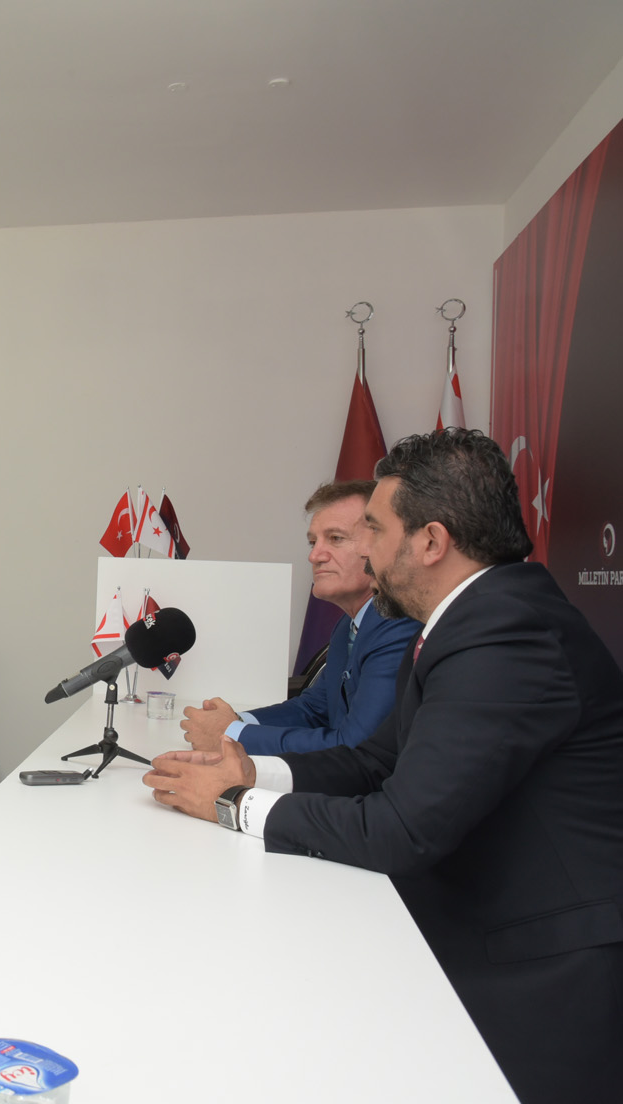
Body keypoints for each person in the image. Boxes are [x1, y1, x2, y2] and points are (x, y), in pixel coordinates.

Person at [141, 429, 623, 1104]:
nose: (362, 549)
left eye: (372, 528)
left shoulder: (507, 632)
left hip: (543, 969)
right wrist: (251, 775)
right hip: (485, 928)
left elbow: (402, 829)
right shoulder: (470, 617)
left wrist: (233, 805)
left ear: (430, 542)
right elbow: (376, 760)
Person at [180, 481, 418, 756]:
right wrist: (235, 722)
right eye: (313, 542)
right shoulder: (349, 625)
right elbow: (314, 709)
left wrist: (233, 734)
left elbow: (356, 746)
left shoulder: (397, 623)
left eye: (336, 538)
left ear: (378, 542)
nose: (314, 556)